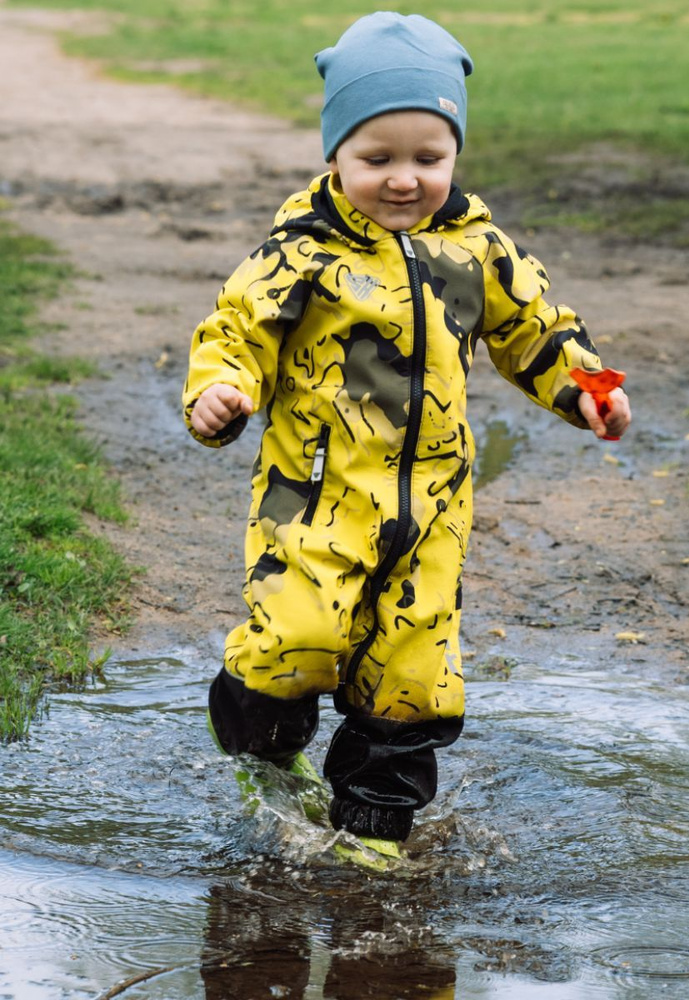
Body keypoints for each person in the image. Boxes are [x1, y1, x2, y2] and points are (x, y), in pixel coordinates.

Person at [183, 12, 631, 847]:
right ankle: (262, 751)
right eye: (376, 158)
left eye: (429, 158)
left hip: (431, 512)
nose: (403, 179)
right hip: (314, 503)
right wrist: (221, 396)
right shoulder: (302, 253)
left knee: (413, 680)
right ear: (334, 155)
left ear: (454, 153)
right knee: (297, 642)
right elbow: (234, 335)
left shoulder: (478, 249)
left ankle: (376, 839)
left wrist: (589, 390)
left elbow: (538, 331)